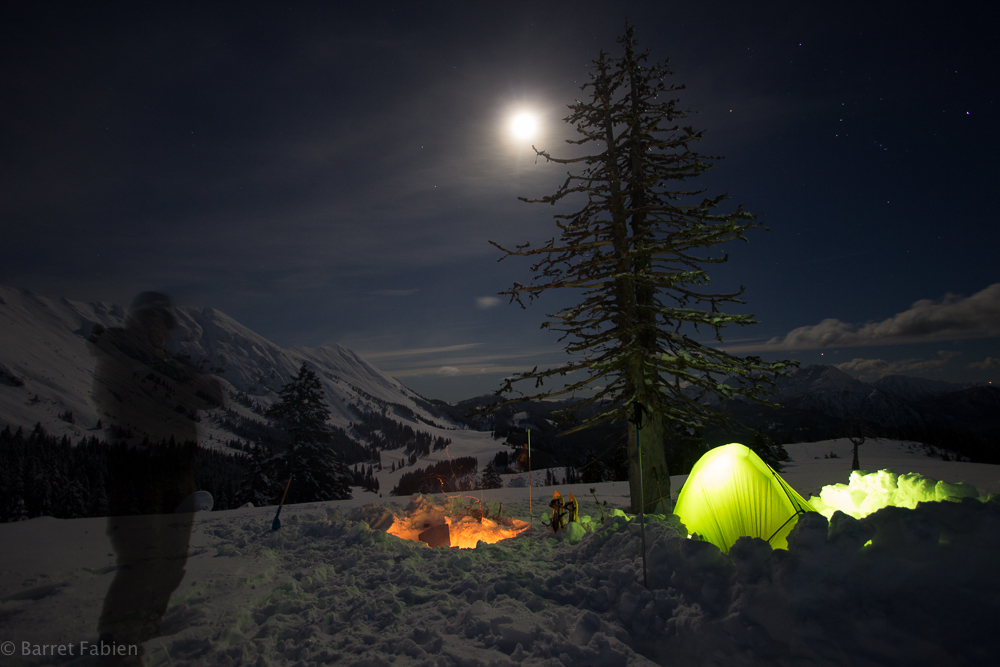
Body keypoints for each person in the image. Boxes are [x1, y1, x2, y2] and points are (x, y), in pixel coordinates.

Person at [89, 292, 221, 664]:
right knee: (141, 559)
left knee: (171, 558)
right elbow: (138, 399)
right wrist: (181, 385)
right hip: (138, 471)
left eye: (163, 325)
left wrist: (182, 382)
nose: (158, 331)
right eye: (152, 322)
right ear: (138, 322)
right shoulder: (119, 354)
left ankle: (148, 625)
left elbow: (212, 397)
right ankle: (119, 642)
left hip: (177, 471)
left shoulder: (161, 361)